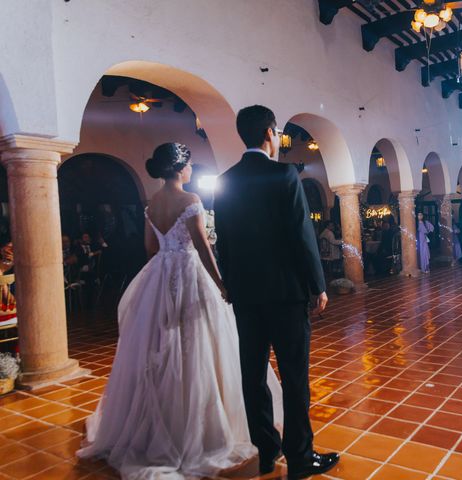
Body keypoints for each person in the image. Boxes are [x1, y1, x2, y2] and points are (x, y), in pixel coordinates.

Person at [77, 143, 280, 479]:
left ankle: (157, 421)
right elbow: (202, 247)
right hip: (189, 273)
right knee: (199, 344)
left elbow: (150, 248)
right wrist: (221, 283)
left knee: (158, 347)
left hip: (160, 274)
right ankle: (201, 431)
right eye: (189, 167)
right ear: (180, 168)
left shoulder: (151, 204)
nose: (191, 172)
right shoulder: (191, 201)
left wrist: (166, 265)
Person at [214, 105, 339, 479]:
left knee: (253, 376)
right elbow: (302, 235)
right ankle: (300, 458)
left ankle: (266, 451)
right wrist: (317, 285)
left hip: (247, 297)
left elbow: (225, 242)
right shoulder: (284, 174)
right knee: (294, 378)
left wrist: (232, 285)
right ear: (271, 133)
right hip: (286, 294)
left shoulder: (226, 181)